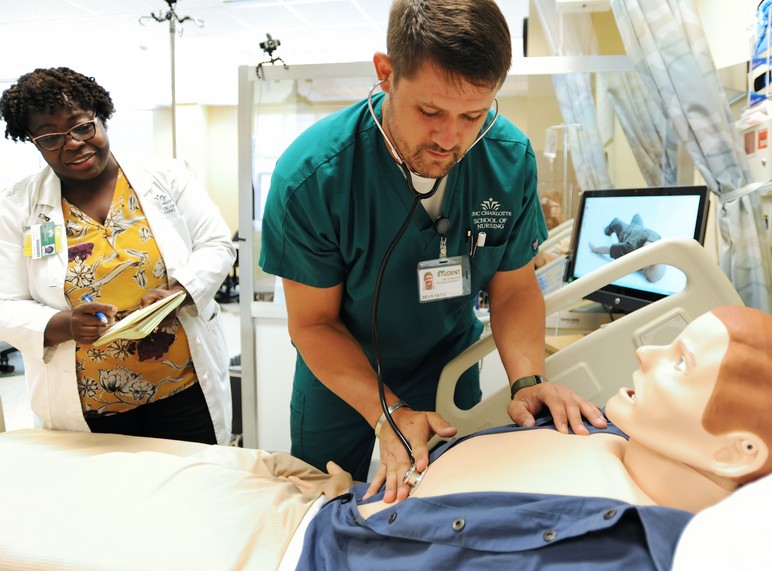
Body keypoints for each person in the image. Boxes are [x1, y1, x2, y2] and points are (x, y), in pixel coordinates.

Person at [260, 0, 606, 500]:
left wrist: (527, 379)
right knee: (324, 503)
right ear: (385, 73)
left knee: (443, 502)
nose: (450, 138)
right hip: (341, 375)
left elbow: (512, 287)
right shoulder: (314, 176)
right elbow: (312, 323)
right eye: (429, 111)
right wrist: (387, 411)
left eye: (473, 115)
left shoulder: (506, 161)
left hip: (447, 366)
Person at [294, 305, 772, 569]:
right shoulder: (618, 423)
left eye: (681, 362)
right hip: (329, 498)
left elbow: (514, 286)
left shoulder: (619, 546)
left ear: (737, 451)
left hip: (317, 544)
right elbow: (310, 321)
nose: (647, 352)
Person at [0, 67, 235, 445]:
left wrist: (178, 292)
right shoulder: (15, 208)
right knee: (107, 502)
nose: (72, 144)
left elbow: (216, 244)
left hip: (181, 391)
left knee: (191, 495)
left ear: (101, 117)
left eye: (81, 127)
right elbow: (5, 302)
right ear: (34, 142)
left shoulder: (166, 177)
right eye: (50, 137)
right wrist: (64, 324)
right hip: (89, 407)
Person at [589, 213, 666, 282]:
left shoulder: (658, 240)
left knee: (637, 217)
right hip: (626, 232)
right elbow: (609, 250)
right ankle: (608, 230)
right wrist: (595, 249)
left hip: (638, 229)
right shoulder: (630, 249)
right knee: (616, 222)